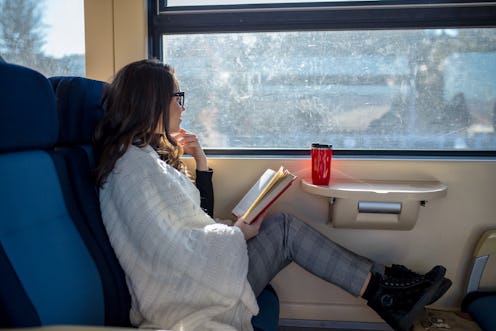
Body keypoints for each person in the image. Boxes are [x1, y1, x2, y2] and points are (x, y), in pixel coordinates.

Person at [93, 59, 451, 331]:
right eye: (178, 97)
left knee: (281, 227)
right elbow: (167, 251)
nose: (183, 106)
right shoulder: (133, 168)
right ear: (152, 101)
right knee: (283, 230)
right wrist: (236, 234)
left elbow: (192, 220)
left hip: (202, 269)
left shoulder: (145, 155)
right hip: (186, 291)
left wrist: (201, 161)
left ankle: (390, 286)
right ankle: (388, 292)